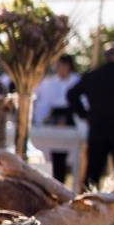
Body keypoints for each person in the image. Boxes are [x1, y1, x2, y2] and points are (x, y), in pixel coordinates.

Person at [68, 44, 114, 189]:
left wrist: (84, 114)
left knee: (93, 174)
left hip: (97, 128)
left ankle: (88, 205)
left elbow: (72, 94)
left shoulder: (93, 75)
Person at [33, 54, 80, 183]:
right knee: (55, 154)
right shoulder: (50, 83)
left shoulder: (77, 81)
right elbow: (44, 103)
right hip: (54, 117)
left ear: (68, 66)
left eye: (61, 65)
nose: (58, 68)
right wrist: (40, 120)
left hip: (72, 118)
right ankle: (57, 181)